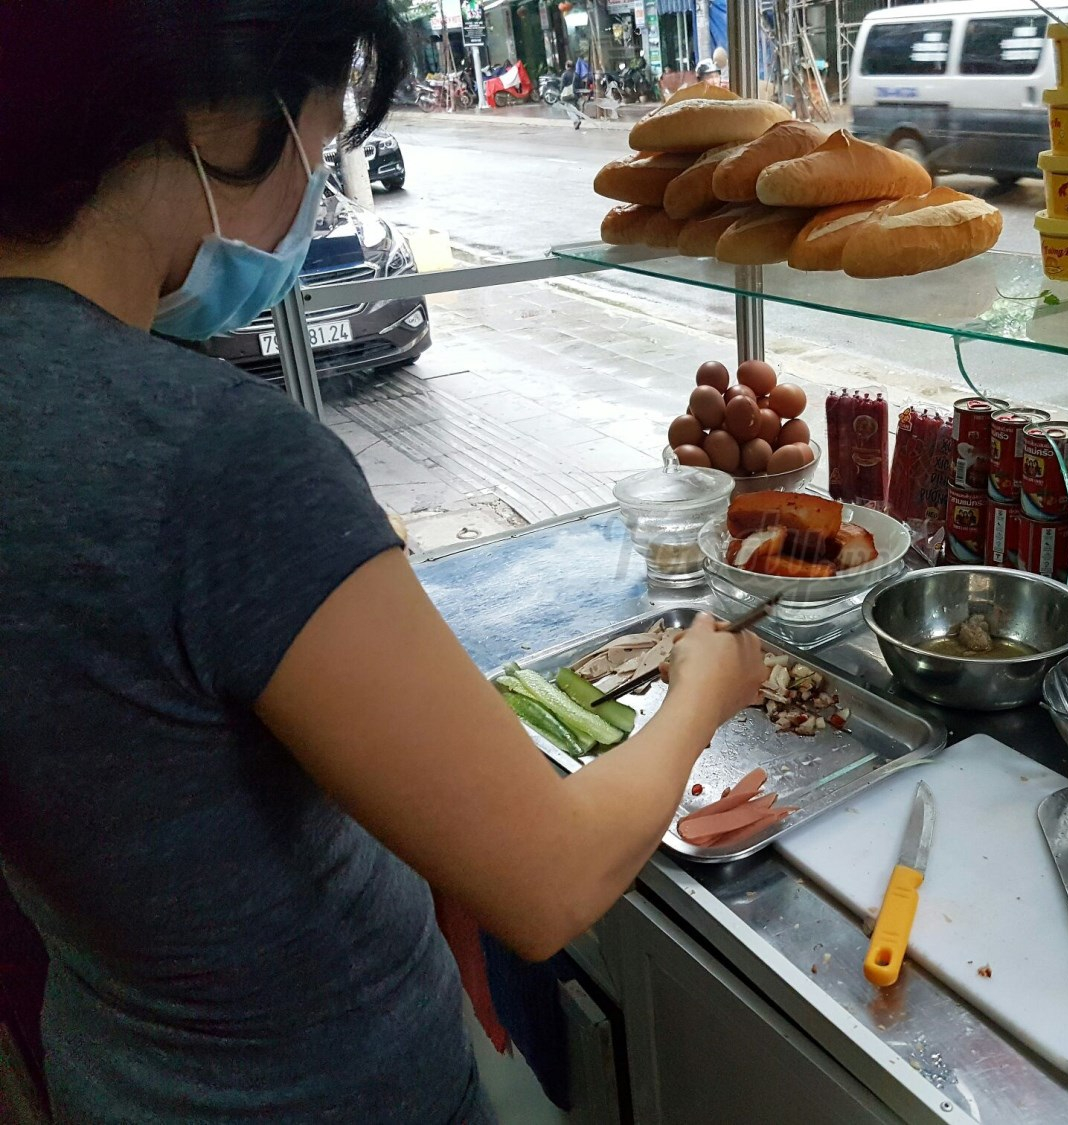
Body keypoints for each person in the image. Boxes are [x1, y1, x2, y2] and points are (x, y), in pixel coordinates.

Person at [0, 3, 765, 1122]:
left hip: (112, 1072)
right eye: (319, 147)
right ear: (214, 119)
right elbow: (549, 880)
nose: (314, 195)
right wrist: (702, 687)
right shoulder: (215, 453)